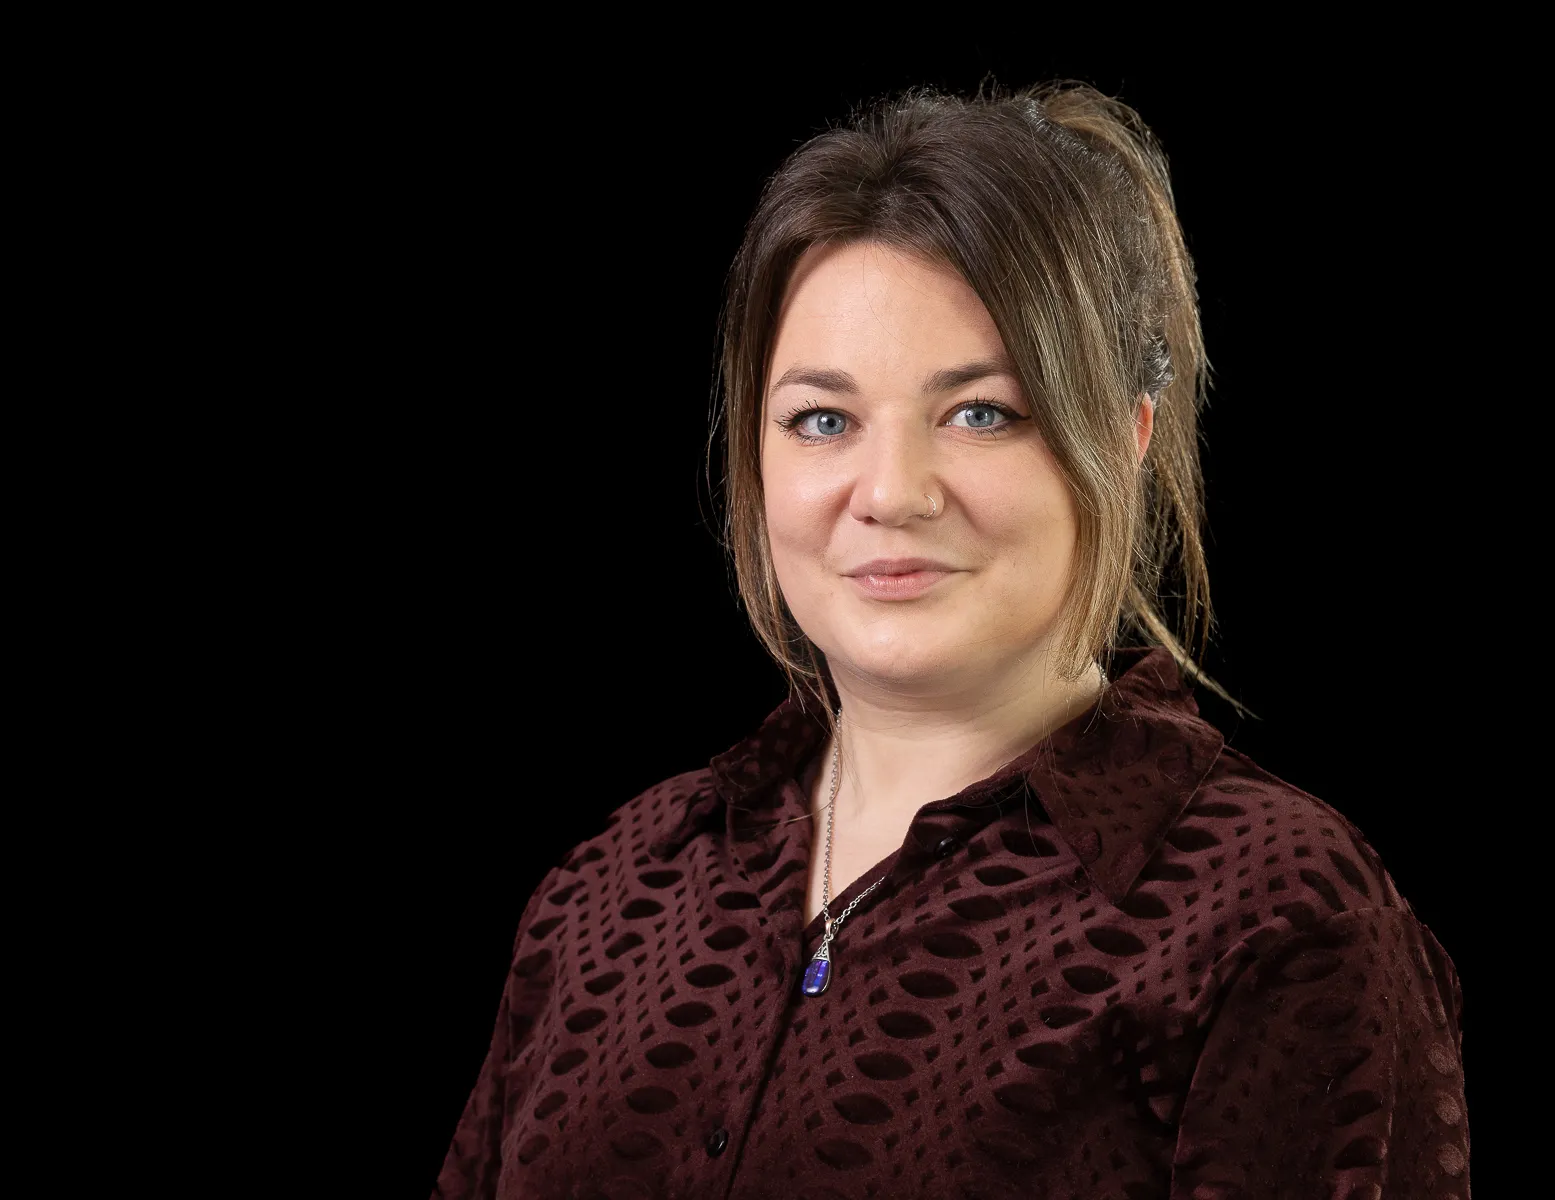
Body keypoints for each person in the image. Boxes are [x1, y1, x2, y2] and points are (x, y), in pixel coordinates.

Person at [434, 82, 1468, 1200]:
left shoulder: (1274, 917)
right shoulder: (610, 891)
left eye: (982, 412)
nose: (892, 493)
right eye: (823, 420)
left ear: (1123, 439)